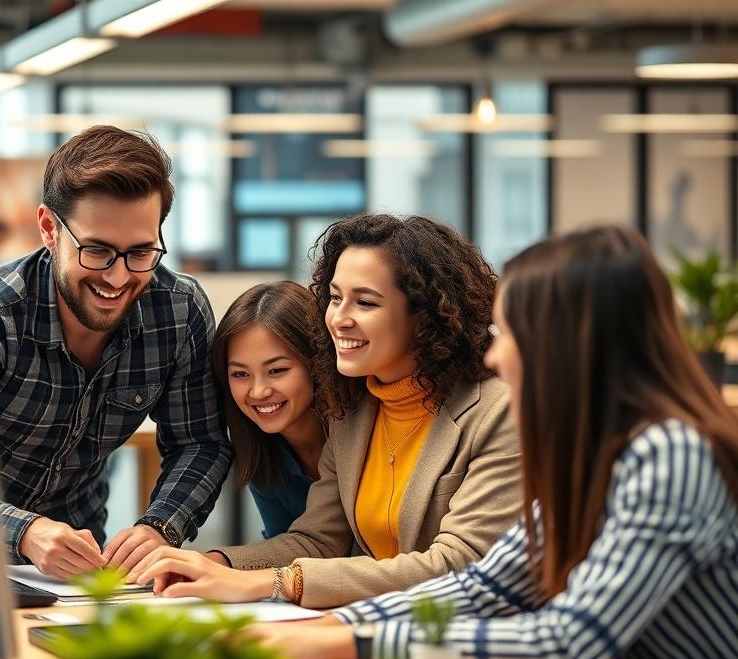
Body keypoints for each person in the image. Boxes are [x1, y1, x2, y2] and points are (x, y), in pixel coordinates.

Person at [250, 225, 738, 659]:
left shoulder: (669, 457)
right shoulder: (596, 456)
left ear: (569, 345)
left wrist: (351, 644)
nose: (495, 354)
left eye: (510, 334)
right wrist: (333, 628)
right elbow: (486, 586)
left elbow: (566, 641)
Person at [133, 214, 521, 608]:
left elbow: (462, 565)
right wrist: (212, 564)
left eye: (365, 302)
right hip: (383, 625)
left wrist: (279, 582)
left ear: (426, 315)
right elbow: (318, 540)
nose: (338, 318)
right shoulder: (355, 411)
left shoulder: (499, 411)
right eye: (335, 298)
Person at [0, 126, 232, 579]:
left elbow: (199, 443)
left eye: (140, 252)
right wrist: (25, 533)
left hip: (74, 572)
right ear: (49, 229)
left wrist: (159, 527)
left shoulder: (178, 311)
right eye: (97, 251)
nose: (117, 277)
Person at [212, 281, 327, 539]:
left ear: (316, 361)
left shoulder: (362, 432)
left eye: (276, 371)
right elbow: (284, 548)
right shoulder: (261, 453)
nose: (258, 391)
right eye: (240, 374)